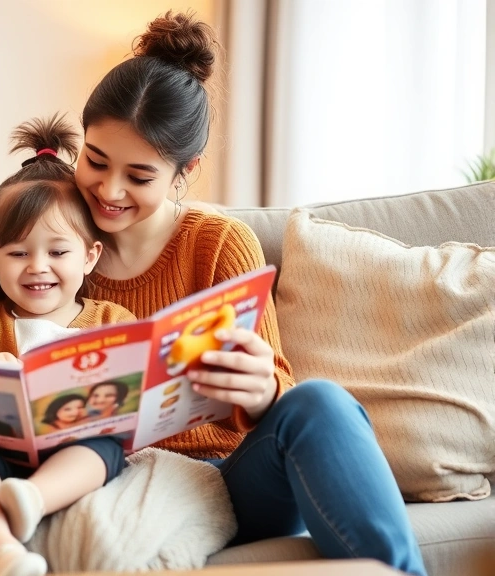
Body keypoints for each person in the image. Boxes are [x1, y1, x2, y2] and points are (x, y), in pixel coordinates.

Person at [70, 11, 427, 576]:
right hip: (96, 475)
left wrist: (260, 392)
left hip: (225, 482)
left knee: (319, 402)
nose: (109, 190)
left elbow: (275, 383)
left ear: (185, 170)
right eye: (95, 160)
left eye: (139, 176)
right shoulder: (52, 233)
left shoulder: (218, 244)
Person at [0, 116, 136, 576]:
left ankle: (33, 499)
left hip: (73, 448)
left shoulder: (112, 321)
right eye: (19, 253)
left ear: (90, 256)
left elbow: (131, 394)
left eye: (58, 252)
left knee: (106, 448)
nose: (37, 266)